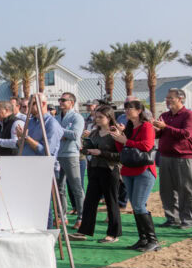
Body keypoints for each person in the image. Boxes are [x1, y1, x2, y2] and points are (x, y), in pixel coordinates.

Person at [111, 100, 158, 252]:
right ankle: (143, 239)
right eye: (125, 108)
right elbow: (122, 149)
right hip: (129, 170)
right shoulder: (130, 127)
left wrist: (126, 141)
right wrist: (119, 137)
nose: (126, 110)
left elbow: (147, 146)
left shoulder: (147, 126)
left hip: (144, 169)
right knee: (136, 206)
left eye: (130, 108)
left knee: (139, 205)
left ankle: (152, 240)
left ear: (139, 111)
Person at [71, 105, 122, 243]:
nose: (97, 119)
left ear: (109, 118)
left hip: (110, 170)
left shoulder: (115, 133)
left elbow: (120, 155)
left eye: (101, 117)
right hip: (94, 168)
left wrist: (101, 153)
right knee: (90, 201)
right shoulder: (94, 133)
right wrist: (85, 148)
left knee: (111, 202)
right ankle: (84, 231)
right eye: (96, 116)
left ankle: (113, 234)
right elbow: (88, 150)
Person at [153, 88, 192, 230]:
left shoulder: (189, 115)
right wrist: (156, 130)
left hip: (184, 157)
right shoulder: (165, 115)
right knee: (167, 190)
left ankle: (188, 220)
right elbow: (160, 134)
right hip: (165, 156)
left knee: (186, 190)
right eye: (167, 98)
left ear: (180, 99)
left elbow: (186, 134)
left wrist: (165, 127)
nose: (167, 100)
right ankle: (172, 218)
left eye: (170, 98)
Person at [16, 93, 65, 227]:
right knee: (30, 204)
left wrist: (26, 138)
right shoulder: (31, 122)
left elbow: (46, 152)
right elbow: (22, 144)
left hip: (43, 169)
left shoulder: (52, 124)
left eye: (31, 104)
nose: (28, 107)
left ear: (42, 104)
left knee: (43, 206)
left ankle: (47, 234)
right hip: (28, 168)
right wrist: (21, 139)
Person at [55, 92, 86, 230]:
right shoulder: (56, 117)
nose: (60, 102)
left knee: (76, 187)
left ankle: (82, 217)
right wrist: (61, 133)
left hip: (71, 154)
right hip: (57, 155)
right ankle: (62, 216)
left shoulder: (77, 117)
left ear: (71, 102)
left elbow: (75, 135)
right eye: (60, 100)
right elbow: (53, 134)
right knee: (59, 188)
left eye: (63, 100)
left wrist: (59, 131)